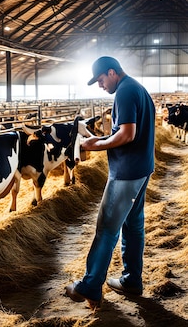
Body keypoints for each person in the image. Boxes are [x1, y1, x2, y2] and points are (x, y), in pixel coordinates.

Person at [65, 56, 156, 309]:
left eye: (101, 79)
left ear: (113, 72)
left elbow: (127, 134)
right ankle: (131, 281)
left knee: (106, 228)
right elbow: (128, 133)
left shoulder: (125, 92)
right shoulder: (138, 89)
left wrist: (96, 145)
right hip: (141, 169)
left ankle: (90, 285)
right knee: (133, 226)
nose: (100, 85)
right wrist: (102, 139)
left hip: (127, 173)